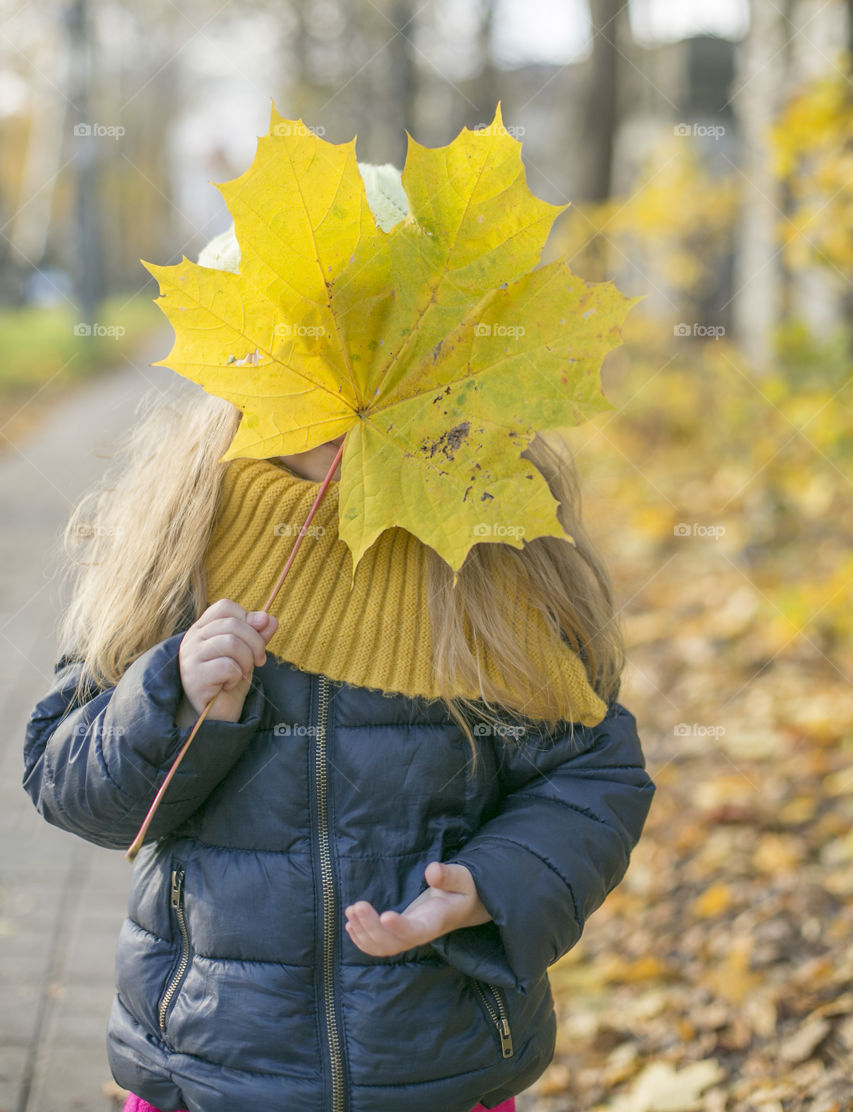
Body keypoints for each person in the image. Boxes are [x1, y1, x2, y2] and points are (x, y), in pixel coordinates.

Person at [21, 163, 656, 1112]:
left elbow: (592, 773)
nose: (344, 389)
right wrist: (173, 701)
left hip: (437, 1063)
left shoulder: (486, 553)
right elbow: (77, 788)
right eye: (308, 354)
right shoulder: (179, 548)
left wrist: (491, 885)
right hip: (206, 1061)